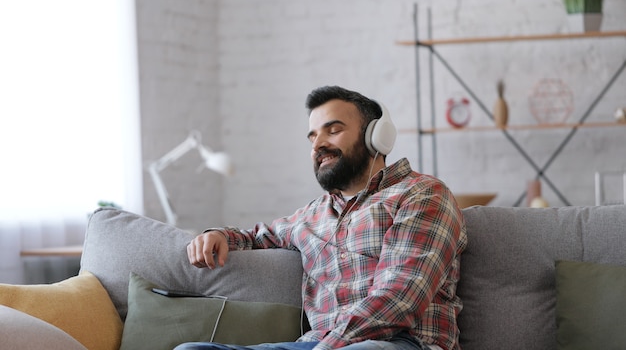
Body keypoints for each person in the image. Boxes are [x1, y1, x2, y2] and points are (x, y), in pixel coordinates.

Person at [178, 86, 467, 350]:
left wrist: (328, 346)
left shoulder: (422, 195)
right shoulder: (313, 214)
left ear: (376, 136)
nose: (318, 145)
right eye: (313, 136)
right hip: (318, 344)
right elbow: (257, 236)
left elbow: (401, 298)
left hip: (400, 342)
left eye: (333, 130)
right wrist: (216, 235)